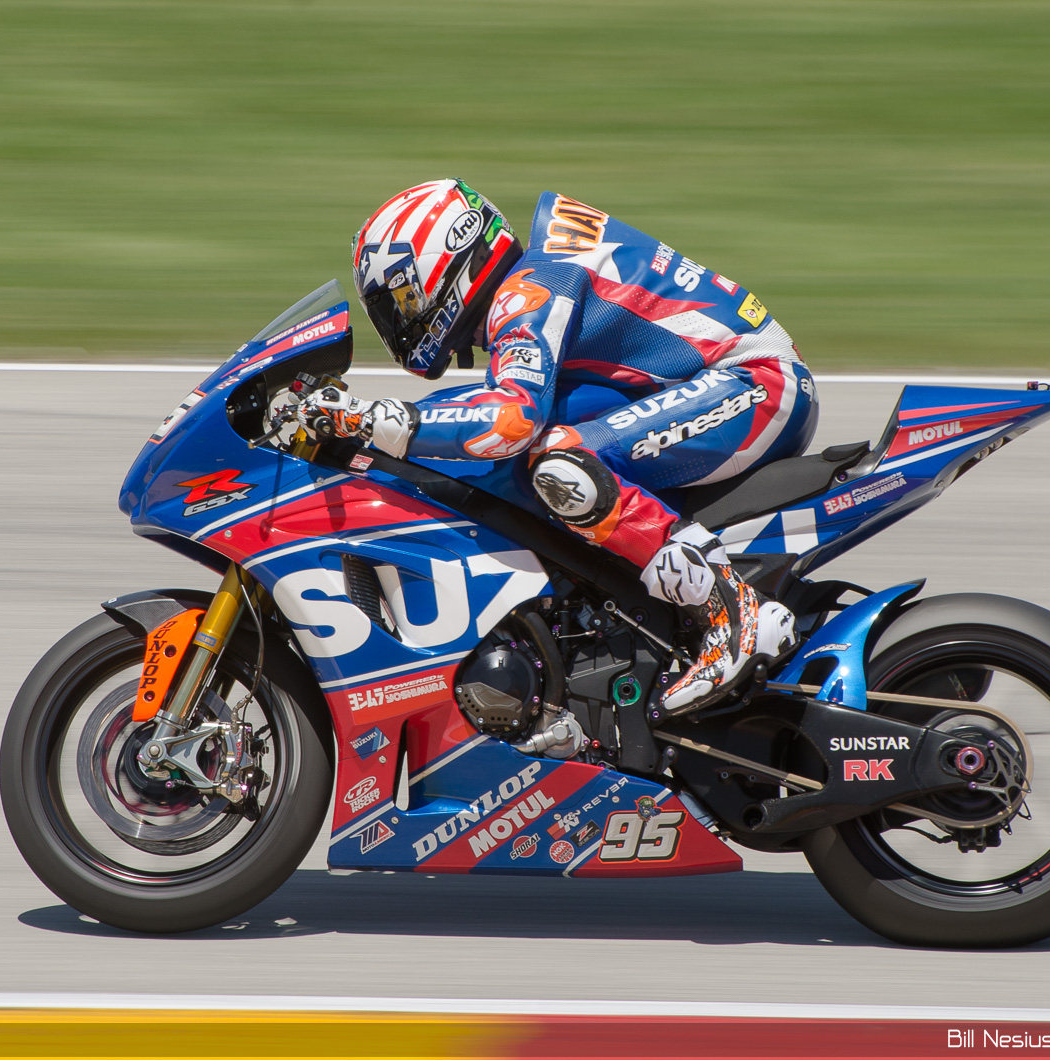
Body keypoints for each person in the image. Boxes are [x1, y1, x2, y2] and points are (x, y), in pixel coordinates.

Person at [302, 179, 814, 715]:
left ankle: (732, 610)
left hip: (756, 384)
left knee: (559, 461)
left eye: (404, 298)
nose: (401, 318)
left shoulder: (530, 289)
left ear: (447, 263)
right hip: (717, 384)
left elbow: (513, 418)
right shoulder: (530, 286)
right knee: (481, 431)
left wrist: (376, 419)